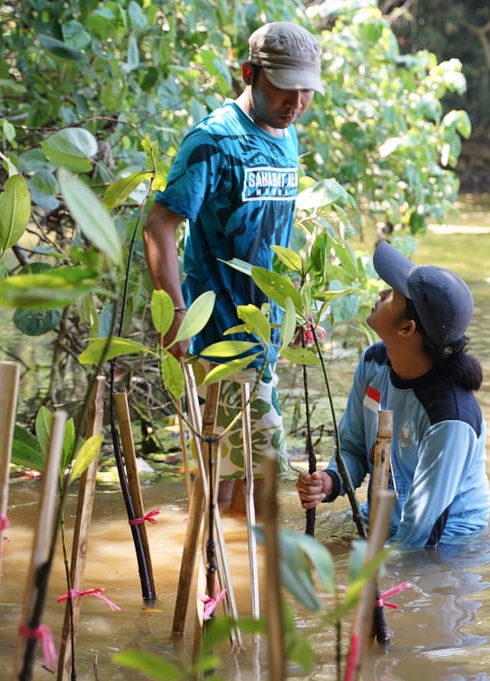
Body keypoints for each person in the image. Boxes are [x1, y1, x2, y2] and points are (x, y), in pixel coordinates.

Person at [143, 21, 324, 486]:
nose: (297, 104)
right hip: (220, 339)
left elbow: (275, 236)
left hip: (265, 339)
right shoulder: (213, 141)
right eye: (286, 89)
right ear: (249, 73)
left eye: (306, 92)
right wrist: (175, 315)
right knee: (252, 479)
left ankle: (228, 559)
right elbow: (160, 223)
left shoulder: (288, 136)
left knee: (240, 481)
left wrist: (294, 313)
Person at [296, 241, 490, 548]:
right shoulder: (374, 363)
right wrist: (330, 480)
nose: (381, 294)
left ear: (407, 329)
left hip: (445, 546)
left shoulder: (450, 418)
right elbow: (354, 446)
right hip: (384, 520)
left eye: (392, 295)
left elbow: (420, 534)